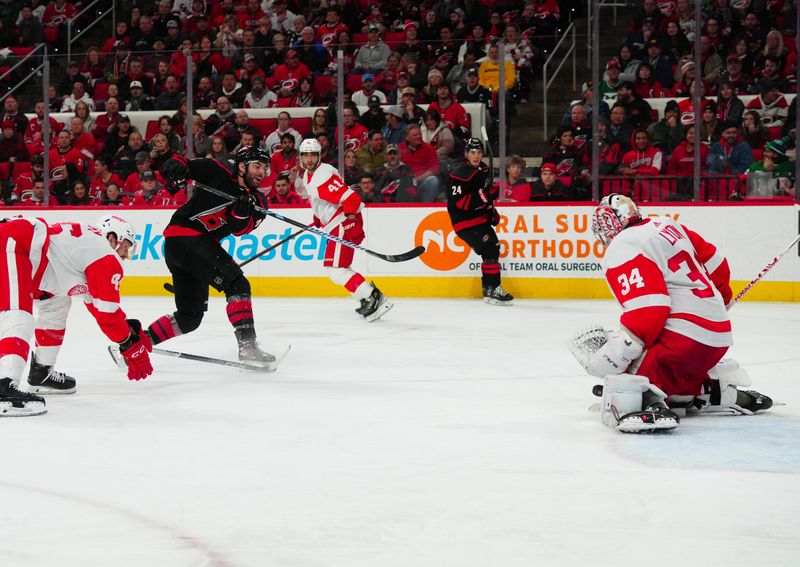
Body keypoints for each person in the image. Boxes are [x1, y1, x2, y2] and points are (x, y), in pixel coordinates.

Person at [568, 194, 772, 433]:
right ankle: (713, 393)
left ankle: (649, 401)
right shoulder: (667, 224)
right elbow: (717, 265)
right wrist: (718, 304)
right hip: (718, 339)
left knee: (626, 384)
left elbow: (650, 310)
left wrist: (617, 354)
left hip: (682, 342)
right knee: (677, 370)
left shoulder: (623, 245)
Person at [136, 147, 277, 369]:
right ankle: (248, 346)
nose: (262, 172)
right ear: (242, 166)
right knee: (237, 283)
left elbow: (240, 229)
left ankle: (138, 344)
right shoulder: (217, 170)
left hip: (187, 248)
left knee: (189, 318)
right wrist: (177, 172)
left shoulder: (257, 200)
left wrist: (240, 212)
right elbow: (178, 161)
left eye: (265, 167)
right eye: (257, 166)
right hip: (184, 237)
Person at [0, 215, 153, 417]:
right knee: (18, 315)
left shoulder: (88, 250)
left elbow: (99, 309)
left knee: (57, 304)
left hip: (35, 263)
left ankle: (41, 372)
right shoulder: (105, 254)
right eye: (126, 246)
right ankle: (4, 388)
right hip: (15, 243)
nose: (125, 254)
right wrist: (130, 345)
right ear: (113, 238)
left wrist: (129, 333)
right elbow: (107, 315)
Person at [295, 138, 393, 322]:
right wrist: (319, 217)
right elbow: (322, 200)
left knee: (336, 269)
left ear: (319, 155)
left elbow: (351, 199)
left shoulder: (322, 175)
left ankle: (374, 297)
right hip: (336, 222)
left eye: (313, 154)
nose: (309, 159)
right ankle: (365, 298)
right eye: (305, 155)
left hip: (342, 222)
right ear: (300, 157)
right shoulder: (309, 175)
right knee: (340, 267)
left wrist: (349, 219)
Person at [447, 138, 513, 305]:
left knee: (492, 249)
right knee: (490, 248)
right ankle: (494, 288)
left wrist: (491, 211)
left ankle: (489, 290)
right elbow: (461, 203)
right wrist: (486, 196)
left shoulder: (483, 169)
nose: (476, 156)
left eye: (479, 152)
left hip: (478, 219)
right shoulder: (460, 173)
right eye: (472, 153)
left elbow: (484, 195)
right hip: (464, 222)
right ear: (466, 154)